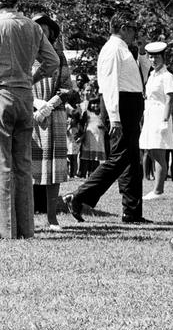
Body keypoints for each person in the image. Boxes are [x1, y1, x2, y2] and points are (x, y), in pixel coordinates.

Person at [0, 0, 59, 239]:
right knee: (23, 164)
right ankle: (25, 228)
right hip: (24, 95)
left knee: (0, 163)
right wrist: (31, 77)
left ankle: (3, 228)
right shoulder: (32, 27)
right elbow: (51, 61)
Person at [64, 16, 149, 223]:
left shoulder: (126, 50)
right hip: (121, 105)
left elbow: (142, 78)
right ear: (122, 27)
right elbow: (109, 85)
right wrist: (115, 118)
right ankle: (79, 196)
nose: (135, 33)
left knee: (131, 160)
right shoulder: (113, 49)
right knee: (120, 157)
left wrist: (143, 52)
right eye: (133, 28)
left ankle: (132, 211)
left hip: (131, 103)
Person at [29, 13, 78, 231]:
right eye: (36, 27)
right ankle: (27, 217)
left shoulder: (59, 55)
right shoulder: (25, 51)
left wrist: (50, 104)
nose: (40, 31)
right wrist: (35, 102)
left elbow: (67, 86)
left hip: (54, 113)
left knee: (53, 169)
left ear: (51, 31)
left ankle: (51, 218)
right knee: (28, 166)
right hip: (29, 113)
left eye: (44, 28)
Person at [138, 41, 173, 199]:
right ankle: (156, 188)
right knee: (152, 151)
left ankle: (158, 190)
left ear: (163, 58)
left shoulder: (167, 76)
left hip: (160, 115)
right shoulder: (153, 75)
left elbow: (170, 99)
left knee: (159, 152)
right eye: (151, 57)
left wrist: (165, 120)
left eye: (157, 57)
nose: (153, 60)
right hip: (150, 115)